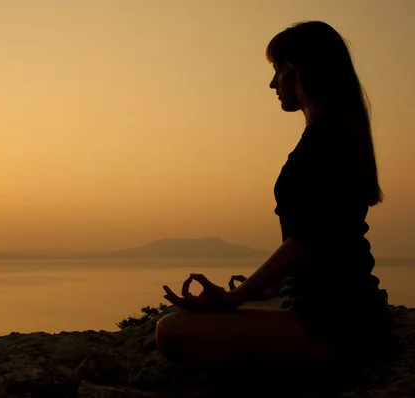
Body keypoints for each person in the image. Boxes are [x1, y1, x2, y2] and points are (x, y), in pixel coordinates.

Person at [155, 21, 394, 371]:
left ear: (301, 71)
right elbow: (331, 239)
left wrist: (237, 296)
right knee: (195, 316)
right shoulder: (335, 137)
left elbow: (306, 242)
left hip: (333, 325)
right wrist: (270, 287)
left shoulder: (323, 144)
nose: (272, 82)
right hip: (354, 310)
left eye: (278, 70)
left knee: (170, 330)